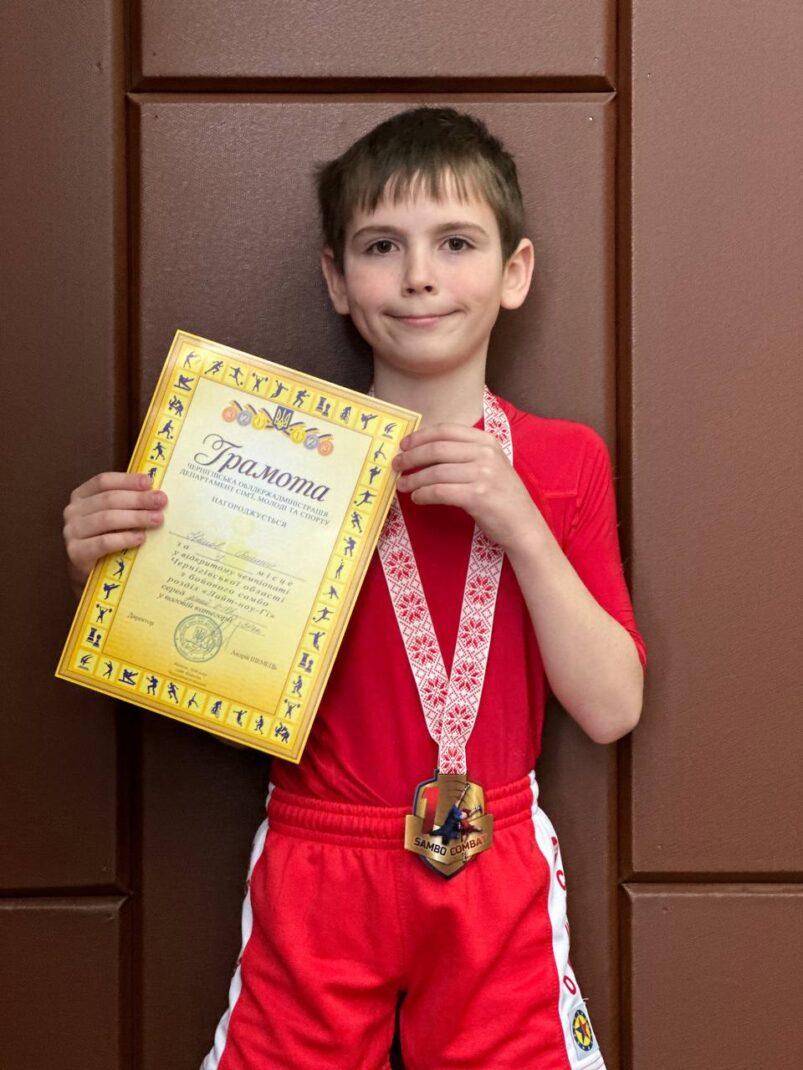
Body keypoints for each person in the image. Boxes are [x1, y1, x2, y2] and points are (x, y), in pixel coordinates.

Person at [61, 107, 646, 1069]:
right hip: (320, 859)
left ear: (514, 272)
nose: (418, 275)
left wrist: (521, 527)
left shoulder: (562, 459)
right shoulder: (264, 462)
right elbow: (186, 651)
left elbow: (613, 707)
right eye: (381, 246)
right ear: (337, 279)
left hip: (493, 853)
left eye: (455, 242)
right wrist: (114, 568)